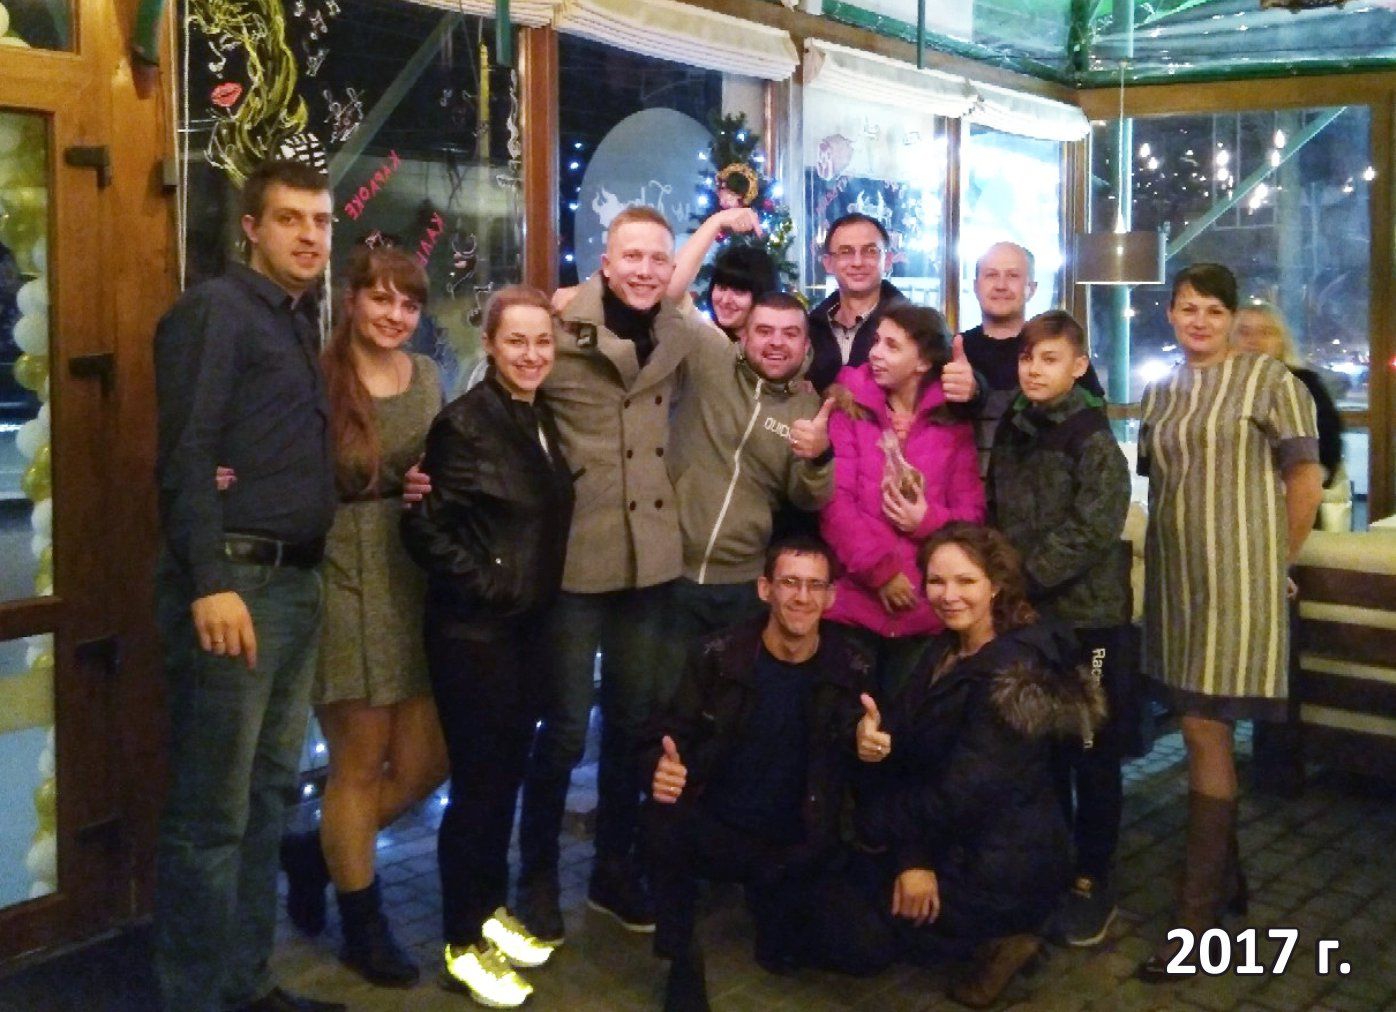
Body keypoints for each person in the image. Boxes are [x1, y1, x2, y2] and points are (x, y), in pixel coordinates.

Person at [152, 159, 344, 1012]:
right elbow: (186, 454)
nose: (310, 235)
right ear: (252, 229)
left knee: (267, 801)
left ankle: (245, 983)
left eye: (321, 221)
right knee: (214, 817)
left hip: (294, 586)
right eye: (291, 219)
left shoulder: (294, 321)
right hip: (236, 587)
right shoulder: (217, 312)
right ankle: (194, 996)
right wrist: (209, 581)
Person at [515, 205, 712, 946]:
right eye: (631, 256)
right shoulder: (558, 327)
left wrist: (716, 229)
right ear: (604, 261)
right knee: (566, 728)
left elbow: (691, 307)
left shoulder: (678, 329)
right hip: (577, 558)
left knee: (634, 725)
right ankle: (536, 873)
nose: (645, 270)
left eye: (658, 258)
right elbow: (499, 398)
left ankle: (613, 868)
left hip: (650, 561)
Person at [819, 523, 1103, 1010]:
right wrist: (867, 736)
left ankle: (1005, 934)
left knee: (856, 928)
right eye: (936, 581)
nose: (948, 595)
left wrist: (895, 843)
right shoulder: (951, 646)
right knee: (847, 896)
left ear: (996, 585)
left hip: (995, 865)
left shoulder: (1010, 673)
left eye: (965, 581)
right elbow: (902, 730)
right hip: (955, 837)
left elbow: (961, 795)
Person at [1134, 264, 1323, 981]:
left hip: (1239, 583)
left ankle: (1194, 920)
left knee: (1203, 730)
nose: (1200, 321)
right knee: (1196, 727)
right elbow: (1163, 486)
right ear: (1172, 314)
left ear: (1230, 316)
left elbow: (1303, 481)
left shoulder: (1272, 383)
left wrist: (1275, 559)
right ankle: (1226, 884)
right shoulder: (1161, 391)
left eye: (1214, 310)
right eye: (1188, 308)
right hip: (1176, 582)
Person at [267, 244, 447, 988]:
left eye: (408, 303)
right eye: (381, 298)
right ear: (352, 299)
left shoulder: (428, 375)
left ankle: (314, 853)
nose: (395, 315)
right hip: (341, 571)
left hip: (414, 572)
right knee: (359, 763)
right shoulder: (317, 375)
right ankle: (362, 924)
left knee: (428, 762)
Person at [400, 286, 576, 1008]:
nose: (531, 354)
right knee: (477, 790)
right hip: (474, 635)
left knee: (502, 781)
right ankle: (460, 945)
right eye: (517, 341)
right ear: (492, 346)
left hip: (524, 631)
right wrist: (495, 588)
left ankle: (488, 913)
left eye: (542, 341)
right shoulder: (466, 424)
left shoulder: (536, 414)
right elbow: (422, 527)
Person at [645, 537, 872, 1012]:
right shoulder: (717, 655)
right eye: (790, 582)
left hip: (799, 840)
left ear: (831, 596)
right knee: (660, 820)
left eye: (815, 586)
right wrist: (658, 768)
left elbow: (863, 743)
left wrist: (870, 748)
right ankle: (679, 955)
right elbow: (664, 734)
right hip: (720, 829)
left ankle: (774, 904)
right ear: (765, 588)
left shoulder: (852, 665)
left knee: (863, 950)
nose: (802, 597)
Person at [986, 309, 1134, 948]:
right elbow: (996, 510)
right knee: (1038, 749)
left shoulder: (1091, 436)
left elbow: (1095, 526)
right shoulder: (1015, 427)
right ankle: (1046, 865)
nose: (1034, 370)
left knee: (1091, 751)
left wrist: (1024, 577)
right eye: (1027, 358)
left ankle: (1093, 877)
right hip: (1029, 621)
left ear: (1078, 365)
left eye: (1049, 359)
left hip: (1089, 621)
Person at [820, 303, 985, 698]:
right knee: (847, 719)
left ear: (923, 361)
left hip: (925, 610)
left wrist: (927, 521)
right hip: (856, 606)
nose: (875, 353)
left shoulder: (952, 421)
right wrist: (881, 572)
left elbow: (972, 516)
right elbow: (834, 504)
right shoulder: (850, 407)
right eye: (876, 341)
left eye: (892, 346)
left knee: (911, 721)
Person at [668, 292, 836, 644]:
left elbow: (807, 499)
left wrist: (819, 457)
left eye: (790, 333)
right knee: (660, 680)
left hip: (743, 583)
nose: (776, 342)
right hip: (668, 571)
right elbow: (670, 298)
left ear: (806, 345)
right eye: (764, 330)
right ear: (745, 335)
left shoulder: (809, 408)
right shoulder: (712, 361)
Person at [959, 242, 1104, 472]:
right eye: (991, 275)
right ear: (976, 286)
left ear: (1032, 288)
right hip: (964, 488)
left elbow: (1095, 432)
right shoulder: (954, 352)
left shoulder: (1061, 353)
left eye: (1013, 276)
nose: (1001, 285)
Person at [1234, 300, 1345, 490]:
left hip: (1290, 496)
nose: (1254, 340)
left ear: (1281, 340)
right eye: (1244, 332)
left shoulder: (1303, 383)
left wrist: (1306, 485)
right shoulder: (1216, 384)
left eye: (1265, 333)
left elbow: (1329, 442)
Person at [806, 212, 906, 391]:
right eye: (845, 252)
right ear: (828, 263)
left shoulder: (913, 326)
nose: (858, 262)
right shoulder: (810, 328)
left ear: (888, 260)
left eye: (870, 251)